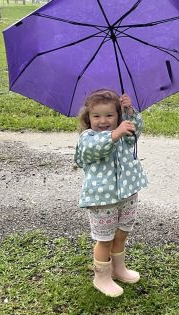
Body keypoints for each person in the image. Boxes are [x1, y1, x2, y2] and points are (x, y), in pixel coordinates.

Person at [74, 89, 148, 297]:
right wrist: (115, 134)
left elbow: (136, 132)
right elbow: (93, 150)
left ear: (118, 116)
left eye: (110, 115)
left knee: (122, 233)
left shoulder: (124, 135)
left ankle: (118, 268)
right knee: (104, 239)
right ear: (88, 118)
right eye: (96, 116)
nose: (103, 121)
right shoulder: (88, 138)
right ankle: (102, 277)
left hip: (127, 194)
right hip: (102, 199)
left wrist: (130, 112)